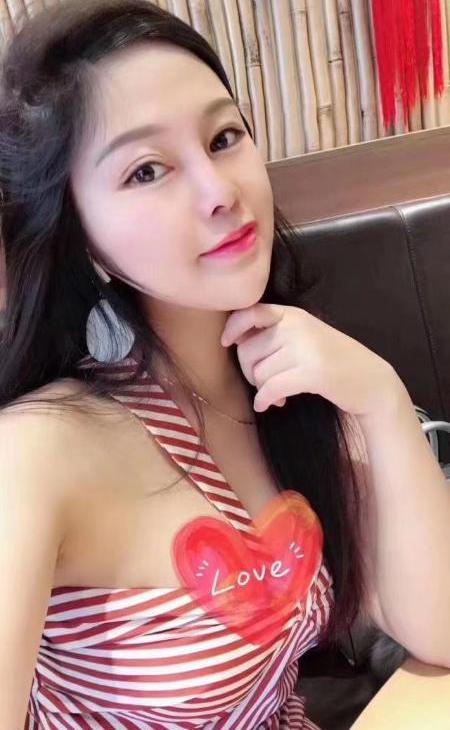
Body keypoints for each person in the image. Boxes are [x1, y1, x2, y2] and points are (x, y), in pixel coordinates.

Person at [0, 1, 449, 728]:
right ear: (77, 233)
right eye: (147, 170)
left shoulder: (295, 391)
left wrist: (383, 400)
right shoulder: (32, 454)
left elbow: (440, 629)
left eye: (223, 137)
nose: (219, 192)